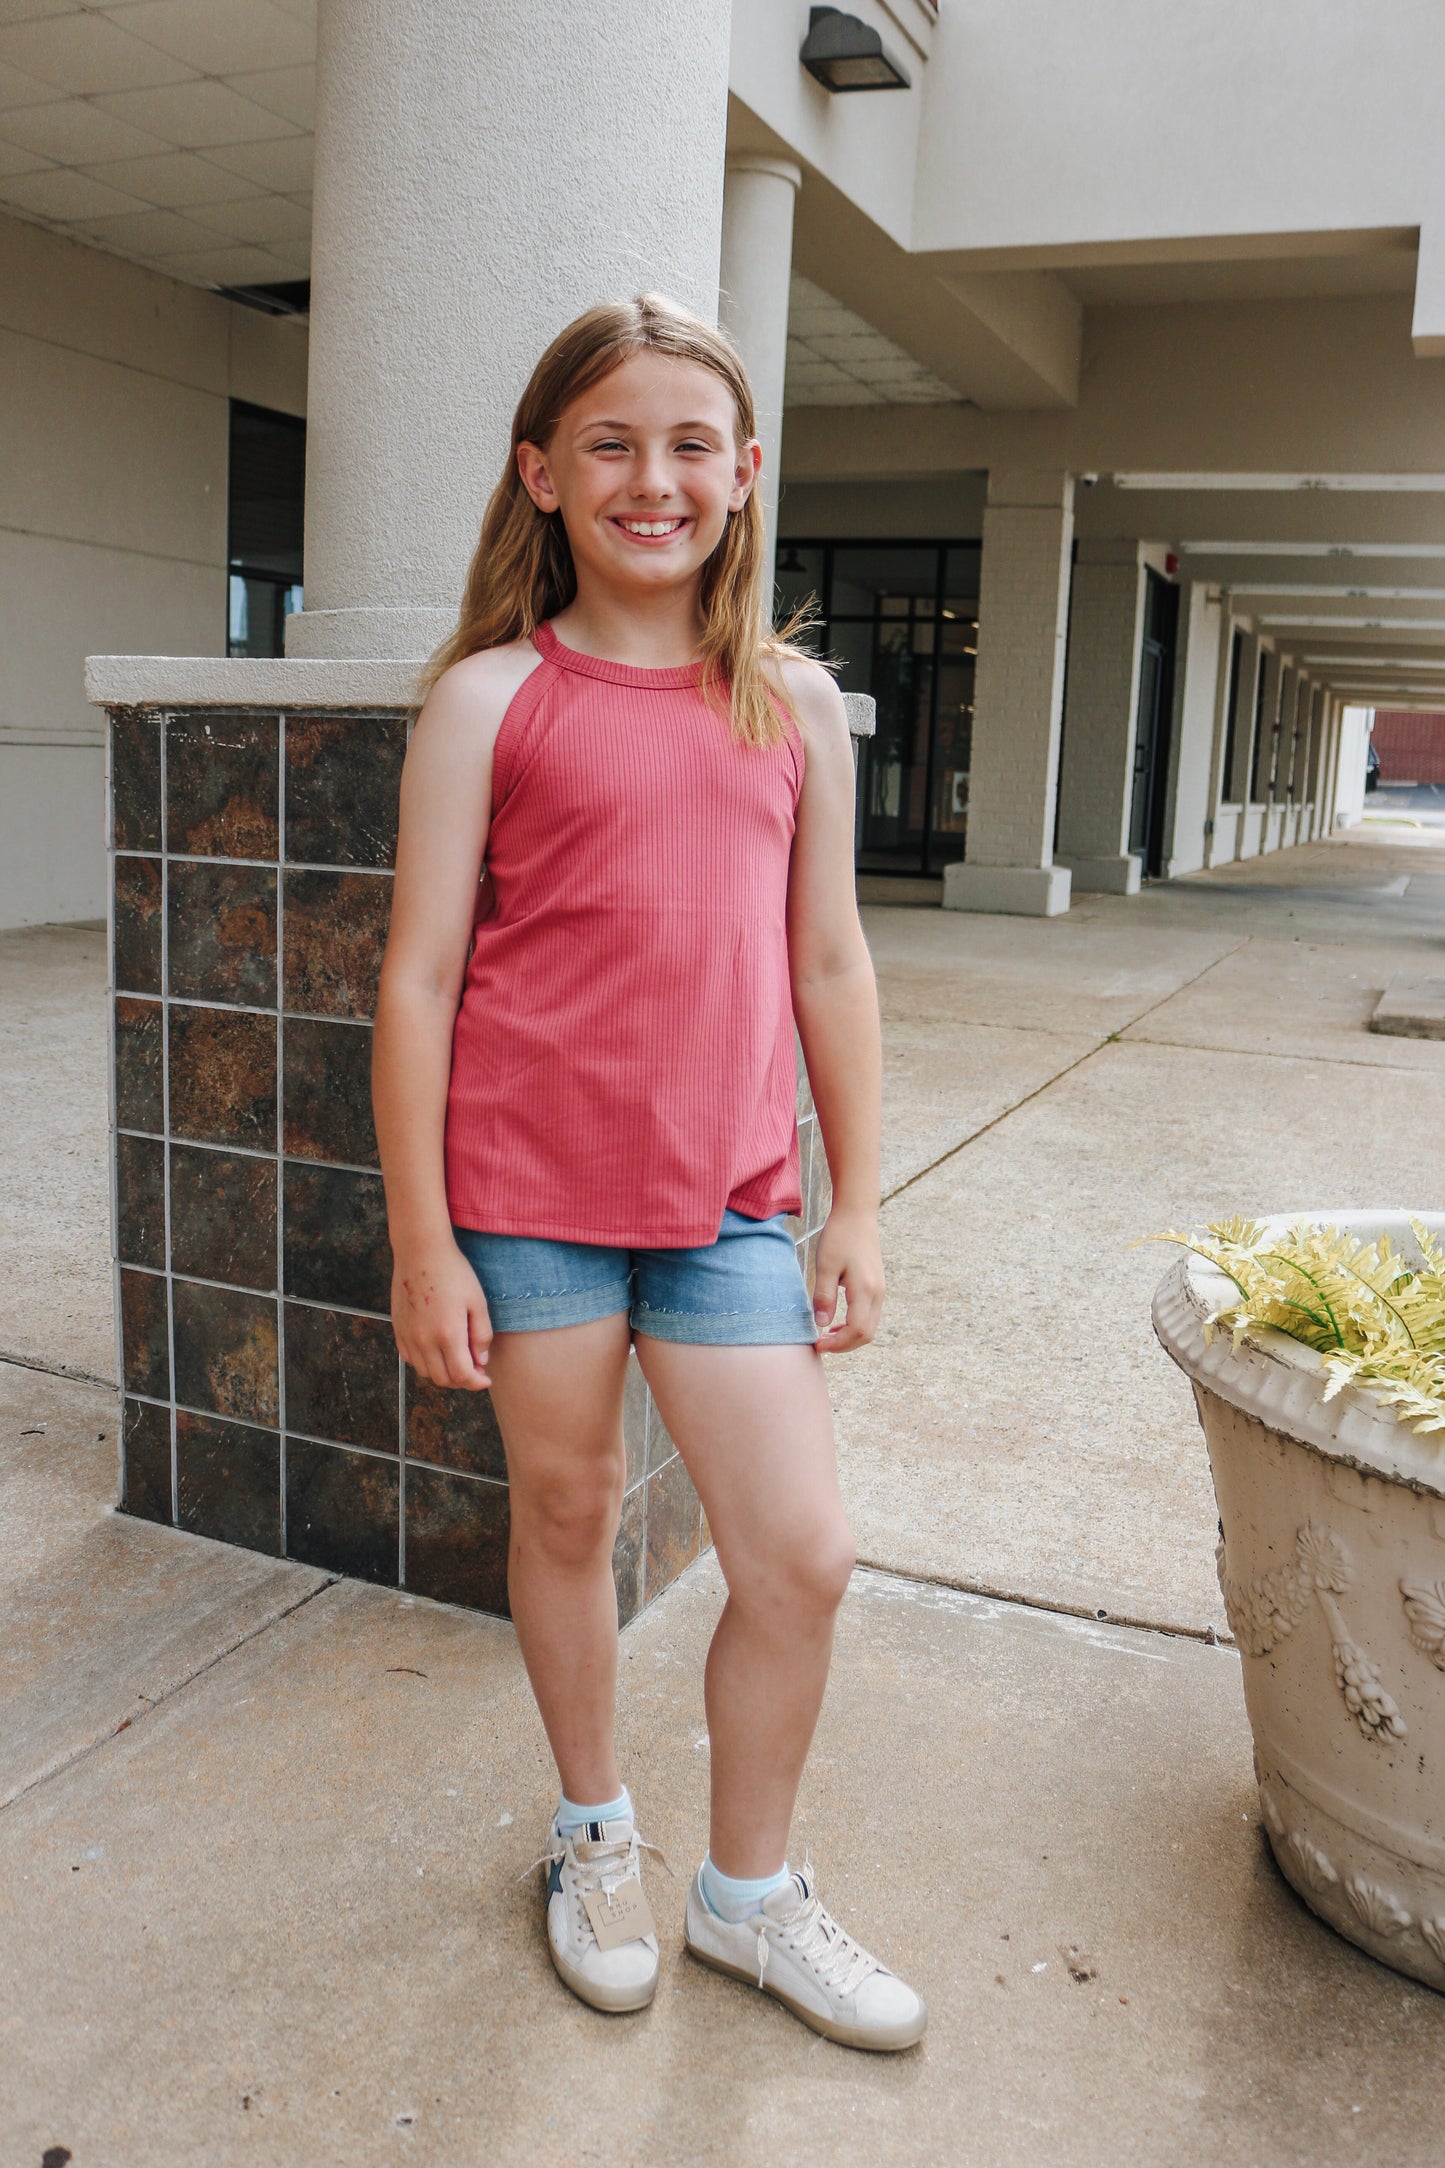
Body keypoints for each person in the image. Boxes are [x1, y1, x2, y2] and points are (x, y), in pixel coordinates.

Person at [372, 294, 926, 2053]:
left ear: (746, 474)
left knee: (802, 1556)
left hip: (729, 1210)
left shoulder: (794, 708)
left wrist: (857, 1201)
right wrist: (418, 1240)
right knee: (565, 1511)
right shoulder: (486, 701)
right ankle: (594, 1832)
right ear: (541, 473)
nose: (651, 477)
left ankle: (747, 1897)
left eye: (690, 443)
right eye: (608, 442)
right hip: (526, 1204)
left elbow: (831, 963)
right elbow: (420, 979)